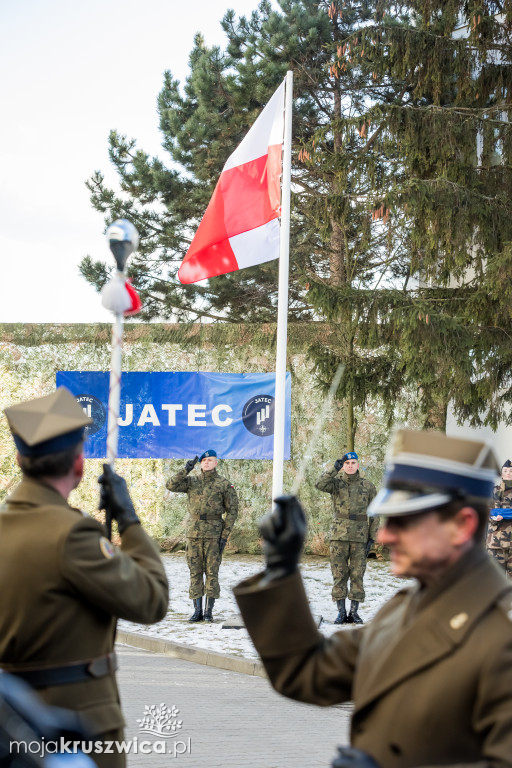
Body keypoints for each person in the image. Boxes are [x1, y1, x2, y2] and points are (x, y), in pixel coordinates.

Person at [234, 430, 512, 768]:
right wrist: (281, 573)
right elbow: (309, 672)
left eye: (402, 521)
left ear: (461, 525)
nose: (383, 534)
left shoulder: (501, 633)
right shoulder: (405, 606)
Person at [0, 388, 169, 768]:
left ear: (19, 458)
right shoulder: (72, 534)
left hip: (9, 718)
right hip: (72, 722)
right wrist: (129, 521)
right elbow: (152, 600)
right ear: (78, 464)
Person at [166, 449, 238, 622]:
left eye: (210, 460)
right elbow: (170, 485)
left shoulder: (223, 484)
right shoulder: (192, 482)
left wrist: (224, 536)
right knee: (195, 572)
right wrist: (186, 470)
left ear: (216, 463)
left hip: (214, 534)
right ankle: (197, 611)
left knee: (212, 573)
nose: (206, 462)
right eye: (204, 460)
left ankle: (208, 612)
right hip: (194, 534)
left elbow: (232, 511)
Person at [315, 452, 377, 624]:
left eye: (353, 462)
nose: (350, 465)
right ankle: (341, 612)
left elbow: (375, 513)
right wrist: (333, 469)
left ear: (358, 465)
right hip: (339, 536)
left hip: (360, 537)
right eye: (347, 463)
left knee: (358, 574)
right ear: (343, 465)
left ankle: (354, 612)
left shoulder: (368, 486)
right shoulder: (336, 484)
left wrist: (373, 537)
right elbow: (319, 484)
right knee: (339, 574)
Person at [487, 458, 512, 578]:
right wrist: (493, 518)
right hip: (496, 543)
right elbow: (485, 511)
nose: (508, 473)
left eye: (511, 471)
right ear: (502, 473)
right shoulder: (493, 491)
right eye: (506, 470)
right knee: (496, 578)